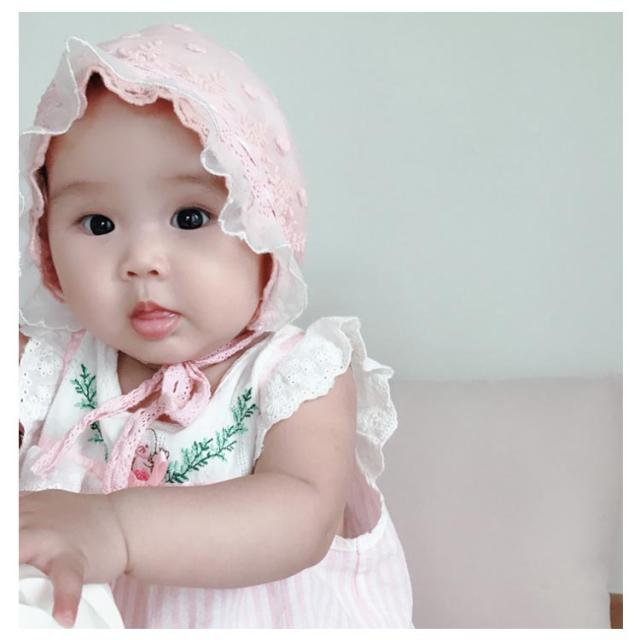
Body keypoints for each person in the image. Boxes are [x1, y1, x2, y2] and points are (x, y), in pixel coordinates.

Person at [19, 23, 414, 629]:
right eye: (98, 224)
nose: (142, 260)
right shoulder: (43, 371)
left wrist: (115, 527)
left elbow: (301, 516)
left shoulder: (298, 375)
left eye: (190, 216)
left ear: (267, 229)